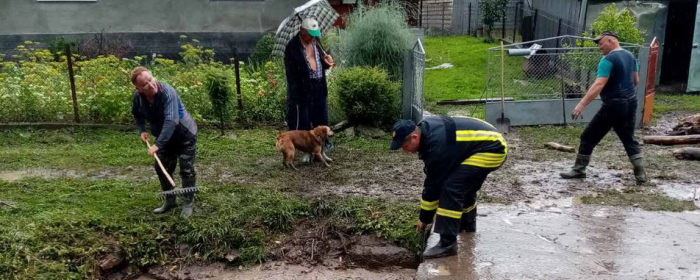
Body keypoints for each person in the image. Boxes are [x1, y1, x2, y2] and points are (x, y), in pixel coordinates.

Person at [389, 116, 508, 259]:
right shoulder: (425, 129)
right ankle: (467, 225)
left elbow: (433, 186)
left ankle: (447, 244)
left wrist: (424, 218)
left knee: (451, 187)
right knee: (462, 183)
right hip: (480, 144)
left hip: (493, 148)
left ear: (414, 137)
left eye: (404, 146)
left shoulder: (436, 148)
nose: (404, 150)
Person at [560, 31, 646, 184]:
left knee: (588, 137)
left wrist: (582, 104)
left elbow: (599, 84)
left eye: (601, 43)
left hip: (613, 104)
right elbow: (636, 81)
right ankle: (640, 173)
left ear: (611, 41)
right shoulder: (631, 56)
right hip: (631, 102)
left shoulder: (608, 60)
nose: (599, 47)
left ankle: (579, 170)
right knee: (628, 138)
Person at [131, 66, 199, 218]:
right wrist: (141, 130)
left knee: (186, 168)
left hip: (184, 135)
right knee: (162, 167)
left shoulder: (168, 92)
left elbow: (171, 120)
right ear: (138, 88)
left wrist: (157, 145)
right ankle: (170, 200)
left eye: (150, 79)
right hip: (164, 137)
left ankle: (188, 202)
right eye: (145, 84)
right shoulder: (138, 98)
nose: (151, 84)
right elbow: (136, 114)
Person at [284, 17, 334, 161]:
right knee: (304, 121)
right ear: (302, 31)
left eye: (315, 34)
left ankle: (321, 150)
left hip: (319, 86)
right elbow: (290, 74)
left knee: (321, 118)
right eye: (310, 34)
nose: (313, 37)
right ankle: (306, 151)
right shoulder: (292, 47)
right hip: (302, 89)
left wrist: (327, 62)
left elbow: (319, 63)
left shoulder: (316, 42)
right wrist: (296, 93)